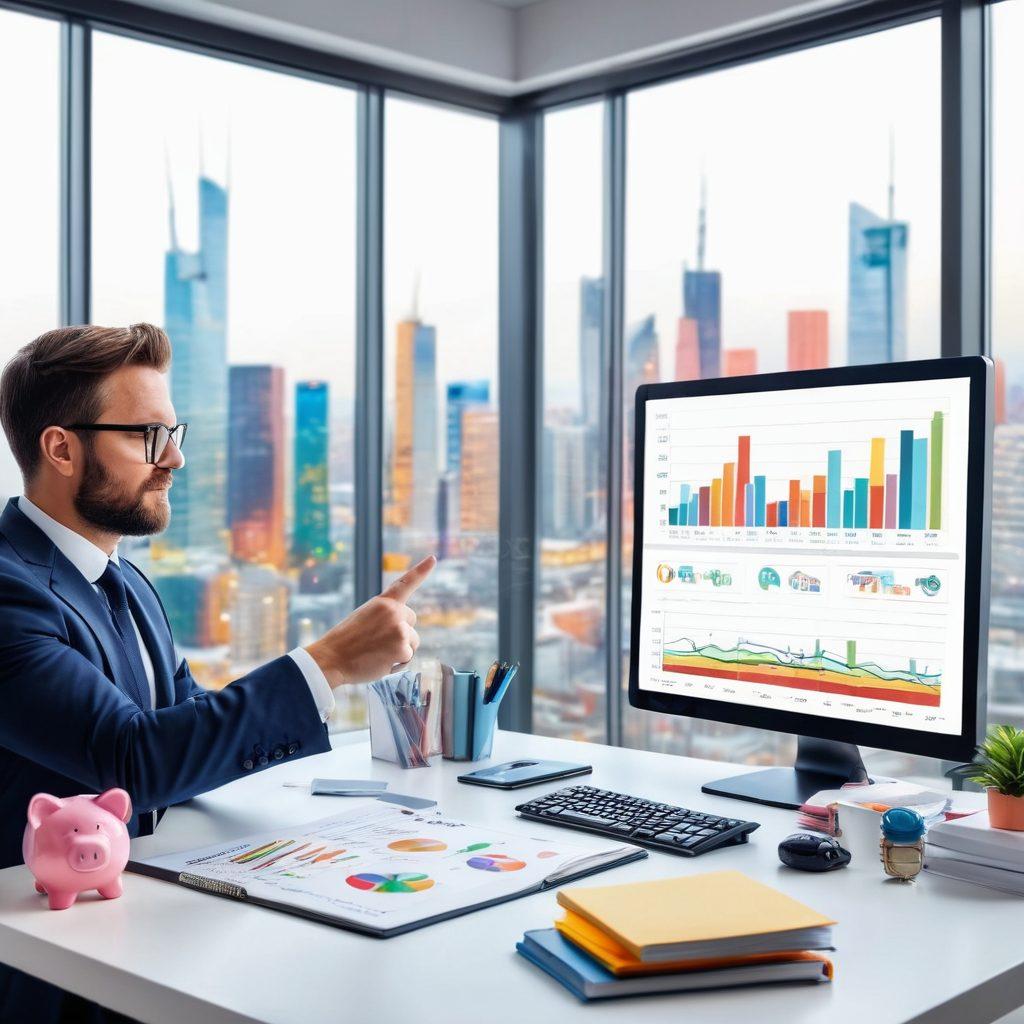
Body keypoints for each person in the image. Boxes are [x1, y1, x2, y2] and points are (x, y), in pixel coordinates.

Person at [0, 323, 436, 1023]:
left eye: (174, 434)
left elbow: (185, 727)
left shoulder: (128, 583)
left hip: (138, 927)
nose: (174, 458)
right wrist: (328, 662)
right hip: (46, 969)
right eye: (148, 436)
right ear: (61, 449)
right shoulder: (9, 591)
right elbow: (132, 758)